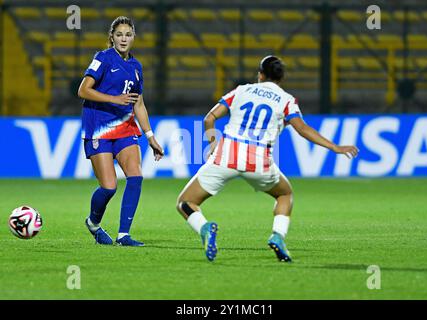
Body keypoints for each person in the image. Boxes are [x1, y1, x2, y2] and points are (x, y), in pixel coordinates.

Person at [176, 55, 359, 262]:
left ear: (260, 75)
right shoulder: (286, 100)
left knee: (185, 202)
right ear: (281, 78)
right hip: (258, 161)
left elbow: (209, 118)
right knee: (285, 195)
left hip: (226, 156)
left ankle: (205, 228)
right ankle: (278, 236)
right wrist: (334, 147)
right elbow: (302, 128)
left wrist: (212, 144)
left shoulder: (241, 90)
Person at [78, 16, 164, 246]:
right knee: (109, 187)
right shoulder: (103, 58)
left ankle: (123, 234)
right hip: (99, 129)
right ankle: (94, 224)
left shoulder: (136, 67)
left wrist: (150, 136)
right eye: (119, 34)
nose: (123, 39)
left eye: (128, 34)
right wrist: (114, 99)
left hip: (126, 128)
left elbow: (139, 104)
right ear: (112, 37)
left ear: (134, 37)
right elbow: (83, 90)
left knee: (135, 177)